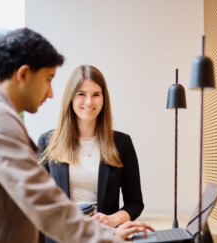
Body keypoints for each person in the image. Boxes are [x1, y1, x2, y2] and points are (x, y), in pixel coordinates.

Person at [0, 28, 153, 243]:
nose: (51, 92)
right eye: (48, 79)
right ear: (24, 74)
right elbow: (43, 202)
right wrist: (109, 235)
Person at [38, 65, 144, 243]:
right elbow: (39, 203)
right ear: (70, 98)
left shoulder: (122, 143)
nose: (89, 102)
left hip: (105, 237)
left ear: (104, 99)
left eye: (96, 94)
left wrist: (113, 220)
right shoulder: (48, 142)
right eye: (81, 94)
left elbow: (135, 202)